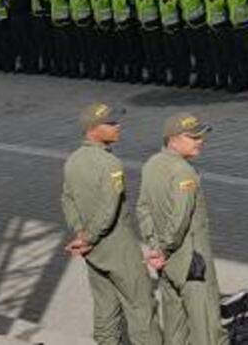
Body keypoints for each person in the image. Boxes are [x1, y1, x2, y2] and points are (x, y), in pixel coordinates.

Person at [61, 103, 160, 345]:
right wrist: (89, 237)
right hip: (118, 247)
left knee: (105, 307)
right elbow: (109, 209)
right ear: (93, 129)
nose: (118, 126)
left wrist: (80, 233)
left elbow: (67, 199)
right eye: (111, 123)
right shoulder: (110, 164)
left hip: (94, 251)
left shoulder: (73, 161)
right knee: (141, 307)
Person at [138, 113, 228, 345]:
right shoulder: (183, 172)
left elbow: (143, 209)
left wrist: (154, 246)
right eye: (193, 137)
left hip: (167, 266)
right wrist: (164, 249)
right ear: (173, 140)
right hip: (192, 264)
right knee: (207, 331)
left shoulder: (151, 165)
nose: (200, 141)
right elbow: (179, 221)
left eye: (201, 136)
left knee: (175, 329)